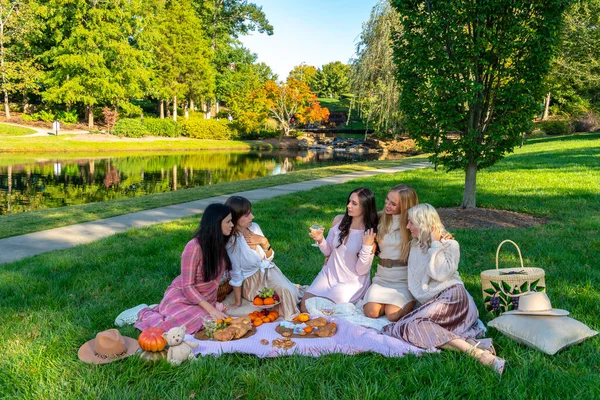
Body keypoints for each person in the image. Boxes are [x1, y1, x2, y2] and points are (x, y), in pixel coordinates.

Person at [381, 204, 505, 374]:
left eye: (411, 223)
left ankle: (477, 355)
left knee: (412, 325)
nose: (408, 226)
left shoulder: (449, 244)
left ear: (424, 224)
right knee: (407, 327)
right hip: (435, 301)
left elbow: (439, 274)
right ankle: (475, 350)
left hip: (453, 298)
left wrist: (436, 243)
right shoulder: (415, 244)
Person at [134, 203, 233, 335]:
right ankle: (147, 312)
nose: (232, 225)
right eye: (228, 221)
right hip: (182, 298)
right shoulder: (194, 246)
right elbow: (187, 287)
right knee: (191, 323)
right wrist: (212, 310)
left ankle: (169, 311)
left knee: (212, 320)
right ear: (216, 223)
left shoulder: (219, 244)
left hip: (203, 301)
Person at [301, 187, 378, 312]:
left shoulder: (369, 234)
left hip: (351, 282)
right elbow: (328, 252)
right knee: (305, 307)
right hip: (329, 274)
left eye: (354, 203)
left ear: (365, 207)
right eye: (349, 201)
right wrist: (320, 240)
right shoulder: (339, 221)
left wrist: (366, 246)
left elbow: (361, 270)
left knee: (328, 311)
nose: (348, 206)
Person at [225, 196, 300, 320]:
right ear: (235, 218)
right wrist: (237, 302)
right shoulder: (232, 243)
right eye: (247, 215)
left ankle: (290, 305)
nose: (252, 217)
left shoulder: (254, 227)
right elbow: (236, 274)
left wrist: (264, 242)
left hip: (270, 271)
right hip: (252, 282)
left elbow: (269, 258)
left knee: (288, 292)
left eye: (251, 213)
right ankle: (286, 321)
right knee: (277, 299)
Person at [363, 184, 418, 321]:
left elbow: (433, 228)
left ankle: (412, 301)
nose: (387, 205)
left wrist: (443, 236)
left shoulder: (413, 222)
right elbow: (356, 218)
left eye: (393, 204)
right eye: (387, 200)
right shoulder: (381, 218)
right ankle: (385, 304)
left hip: (403, 280)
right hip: (382, 277)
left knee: (392, 315)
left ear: (404, 206)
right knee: (371, 313)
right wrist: (339, 219)